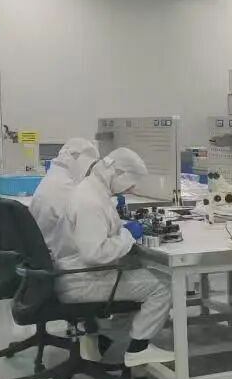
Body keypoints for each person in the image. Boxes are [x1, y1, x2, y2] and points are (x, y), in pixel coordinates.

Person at [52, 148, 174, 367]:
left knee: (137, 275)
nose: (131, 189)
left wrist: (122, 230)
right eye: (130, 183)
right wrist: (127, 235)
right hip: (82, 280)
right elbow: (95, 253)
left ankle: (102, 340)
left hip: (77, 273)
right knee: (164, 285)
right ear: (117, 173)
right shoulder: (90, 200)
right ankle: (138, 349)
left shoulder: (92, 190)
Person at [29, 138, 100, 248]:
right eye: (90, 167)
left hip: (43, 249)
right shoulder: (69, 190)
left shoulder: (51, 179)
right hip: (62, 254)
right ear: (82, 163)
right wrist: (125, 236)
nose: (90, 173)